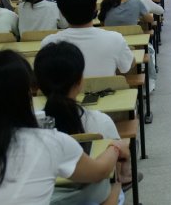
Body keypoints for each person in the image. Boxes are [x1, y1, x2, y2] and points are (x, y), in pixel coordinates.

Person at [0, 50, 126, 205]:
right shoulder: (48, 142)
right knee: (108, 189)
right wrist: (114, 147)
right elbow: (100, 171)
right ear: (27, 95)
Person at [33, 41, 134, 197]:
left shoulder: (29, 129)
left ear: (38, 86)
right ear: (80, 81)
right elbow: (117, 171)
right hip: (93, 197)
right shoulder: (101, 122)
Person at [41, 0, 134, 77]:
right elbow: (126, 68)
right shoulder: (115, 39)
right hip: (106, 87)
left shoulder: (49, 43)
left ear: (61, 12)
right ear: (95, 8)